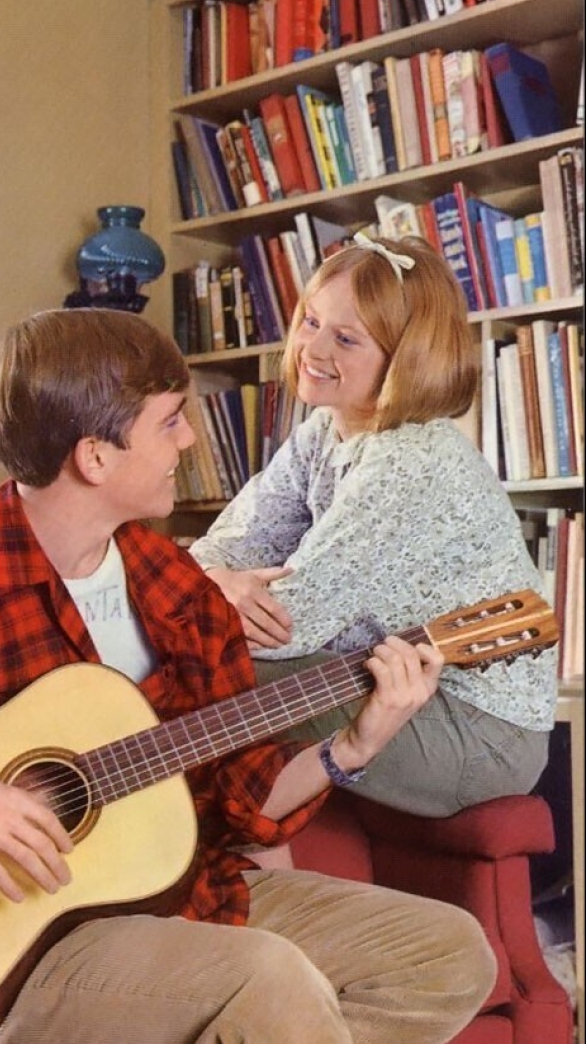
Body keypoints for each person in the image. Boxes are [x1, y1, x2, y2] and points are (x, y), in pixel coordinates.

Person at [0, 308, 495, 1044]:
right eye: (170, 420)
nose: (189, 441)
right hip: (13, 952)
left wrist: (354, 745)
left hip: (179, 896)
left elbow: (232, 794)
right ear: (95, 455)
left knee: (445, 954)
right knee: (261, 977)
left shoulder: (176, 589)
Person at [189, 234, 558, 819]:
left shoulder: (408, 462)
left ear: (404, 361)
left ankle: (215, 861)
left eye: (346, 338)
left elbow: (287, 624)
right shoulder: (323, 430)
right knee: (193, 654)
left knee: (211, 666)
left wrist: (210, 592)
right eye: (310, 320)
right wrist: (217, 577)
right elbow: (227, 544)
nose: (312, 347)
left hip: (480, 731)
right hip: (394, 683)